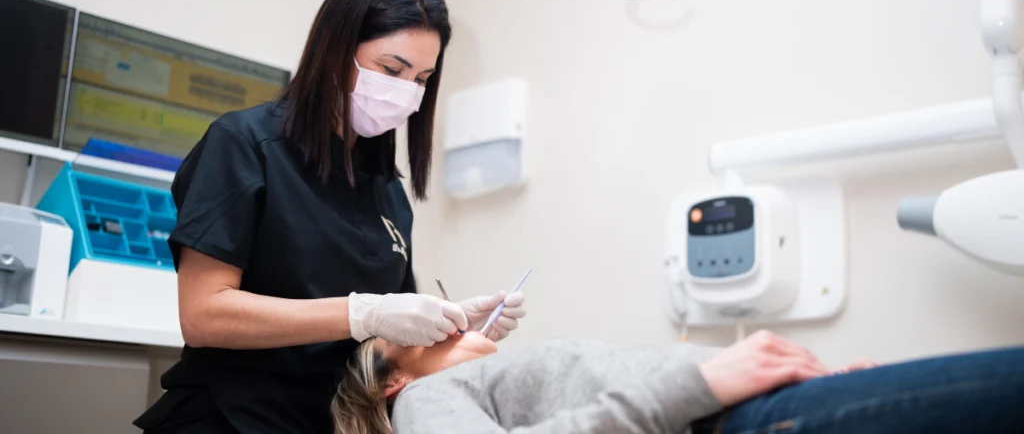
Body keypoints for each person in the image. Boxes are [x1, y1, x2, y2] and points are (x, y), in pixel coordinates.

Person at [132, 0, 527, 433]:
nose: (406, 91)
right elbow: (203, 315)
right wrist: (363, 313)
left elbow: (386, 347)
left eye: (421, 79)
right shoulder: (245, 146)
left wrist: (450, 327)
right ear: (336, 47)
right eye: (391, 69)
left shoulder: (388, 191)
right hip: (231, 418)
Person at [333, 330, 1024, 434]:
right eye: (418, 331)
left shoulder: (484, 382)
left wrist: (819, 387)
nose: (449, 322)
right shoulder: (424, 398)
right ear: (391, 381)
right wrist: (702, 385)